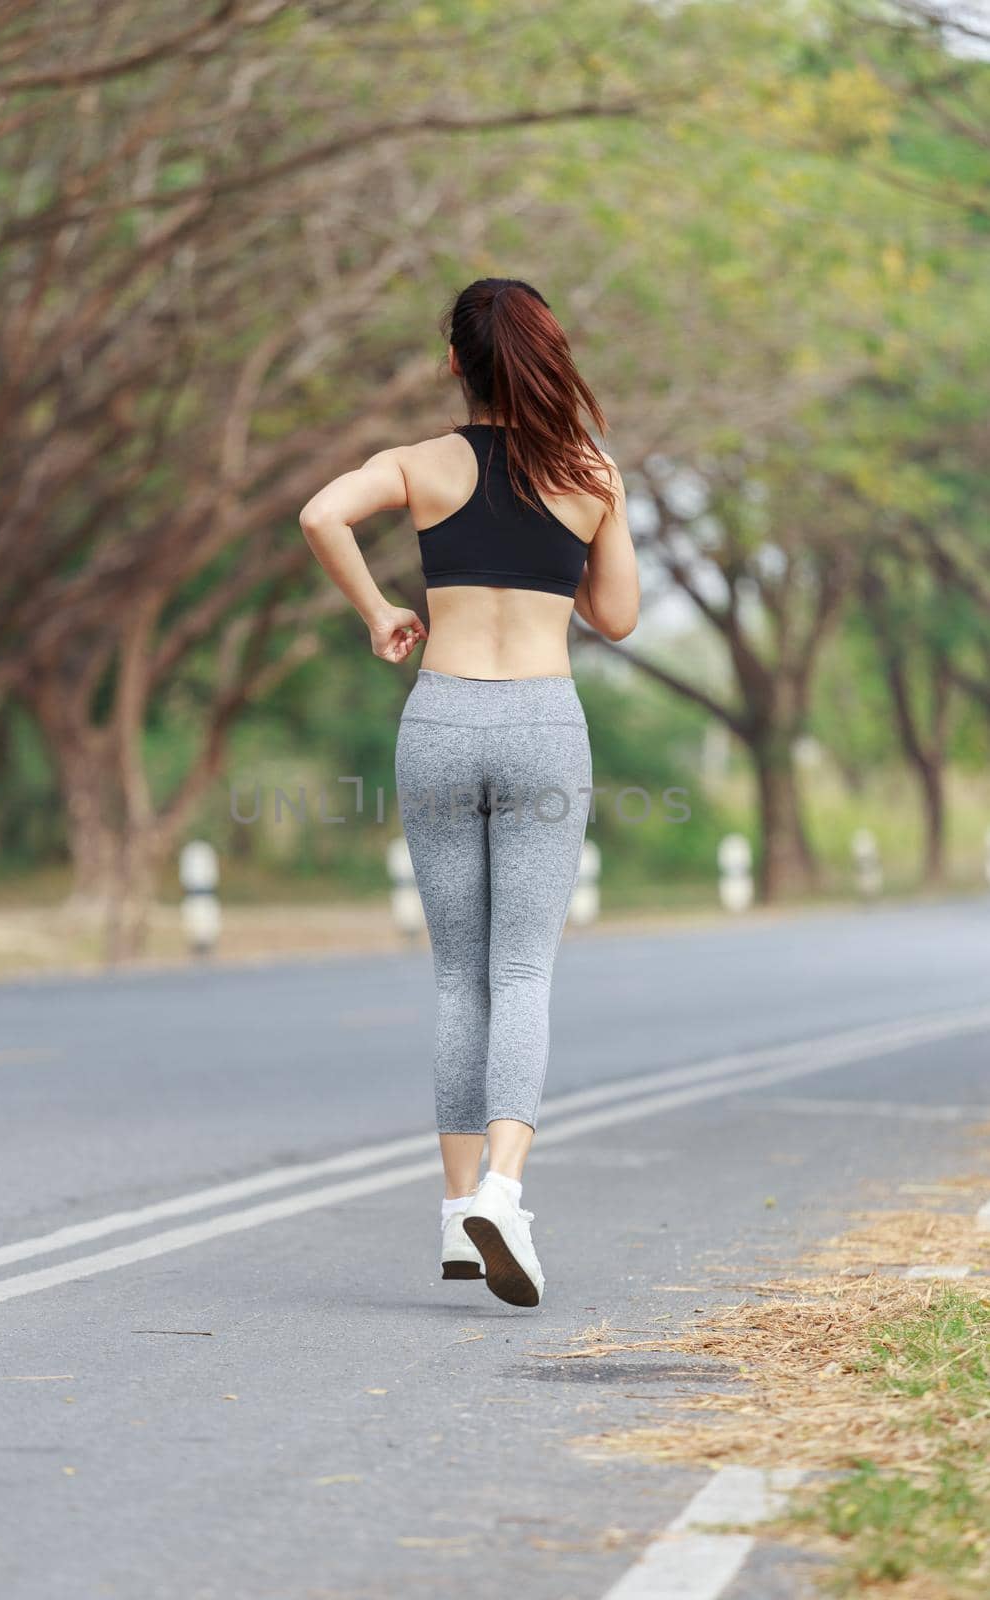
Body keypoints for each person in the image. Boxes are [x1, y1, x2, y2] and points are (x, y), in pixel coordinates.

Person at [298, 277, 640, 1307]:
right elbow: (617, 617)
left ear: (454, 362)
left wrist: (376, 611)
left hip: (441, 717)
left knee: (459, 979)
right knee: (523, 972)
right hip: (541, 722)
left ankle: (457, 1215)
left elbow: (319, 512)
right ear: (545, 357)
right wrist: (577, 530)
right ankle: (502, 1186)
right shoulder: (590, 472)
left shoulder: (423, 463)